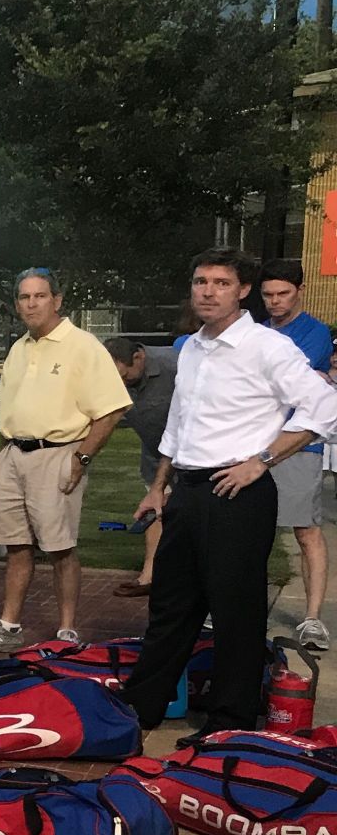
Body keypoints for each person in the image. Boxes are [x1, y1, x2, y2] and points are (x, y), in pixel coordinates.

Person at [120, 248, 337, 742]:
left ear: (243, 291)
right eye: (200, 282)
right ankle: (141, 707)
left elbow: (324, 406)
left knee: (236, 612)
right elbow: (179, 423)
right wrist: (159, 487)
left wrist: (262, 461)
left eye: (221, 283)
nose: (208, 291)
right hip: (188, 489)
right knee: (172, 605)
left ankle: (229, 723)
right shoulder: (191, 347)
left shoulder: (267, 347)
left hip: (239, 493)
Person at [0, 268, 131, 653]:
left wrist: (83, 456)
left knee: (60, 547)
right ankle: (9, 625)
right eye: (24, 297)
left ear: (57, 300)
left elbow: (111, 409)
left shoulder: (82, 345)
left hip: (57, 454)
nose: (31, 303)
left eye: (40, 296)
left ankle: (67, 629)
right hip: (13, 453)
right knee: (16, 545)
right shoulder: (20, 347)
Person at [259, 260, 333, 649]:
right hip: (255, 441)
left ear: (300, 291)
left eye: (282, 293)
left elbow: (287, 384)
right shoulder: (256, 331)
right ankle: (235, 607)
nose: (274, 301)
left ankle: (312, 618)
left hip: (301, 442)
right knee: (250, 531)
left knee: (305, 530)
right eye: (268, 294)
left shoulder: (315, 333)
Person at [103, 337, 179, 598]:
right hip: (154, 453)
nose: (119, 383)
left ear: (138, 358)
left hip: (192, 452)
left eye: (122, 375)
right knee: (154, 512)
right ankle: (149, 575)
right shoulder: (111, 377)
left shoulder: (173, 364)